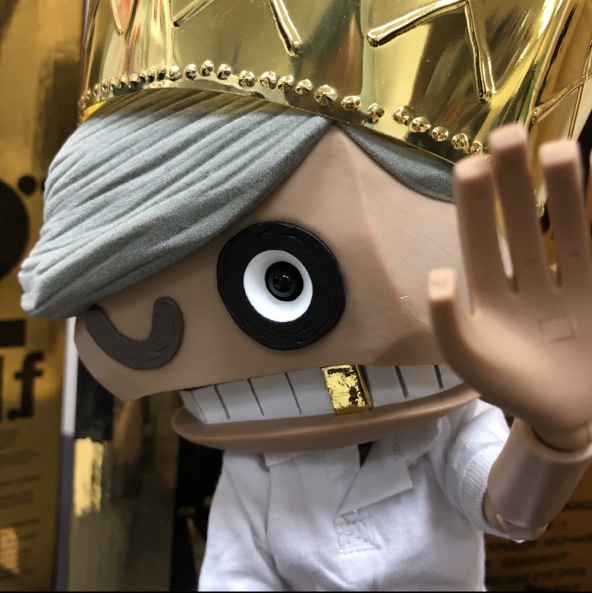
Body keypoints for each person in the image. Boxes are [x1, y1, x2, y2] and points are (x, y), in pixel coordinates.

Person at [18, 0, 592, 589]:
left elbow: (507, 512)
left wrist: (557, 440)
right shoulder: (257, 463)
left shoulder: (448, 427)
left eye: (284, 281)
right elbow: (236, 576)